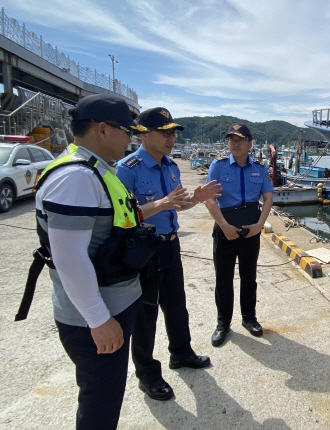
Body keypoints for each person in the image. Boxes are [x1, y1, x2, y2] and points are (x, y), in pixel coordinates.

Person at [32, 94, 148, 429]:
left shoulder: (97, 171)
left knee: (106, 396)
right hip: (96, 316)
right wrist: (98, 319)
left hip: (113, 303)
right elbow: (69, 257)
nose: (131, 138)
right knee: (100, 404)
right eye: (127, 130)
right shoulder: (76, 178)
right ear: (102, 129)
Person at [116, 107, 222, 401]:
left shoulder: (171, 166)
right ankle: (147, 374)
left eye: (173, 132)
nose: (171, 138)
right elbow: (124, 216)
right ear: (144, 134)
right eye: (165, 133)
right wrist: (161, 203)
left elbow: (178, 204)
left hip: (170, 245)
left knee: (177, 304)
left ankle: (181, 353)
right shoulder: (128, 168)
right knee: (145, 313)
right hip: (143, 248)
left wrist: (195, 200)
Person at [204, 124, 273, 347]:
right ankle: (223, 323)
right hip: (226, 227)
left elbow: (268, 197)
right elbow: (209, 199)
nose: (235, 143)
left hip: (251, 228)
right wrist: (223, 225)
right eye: (231, 139)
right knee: (223, 278)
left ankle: (249, 318)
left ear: (250, 143)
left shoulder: (259, 167)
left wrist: (259, 225)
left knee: (249, 276)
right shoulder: (219, 165)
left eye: (240, 139)